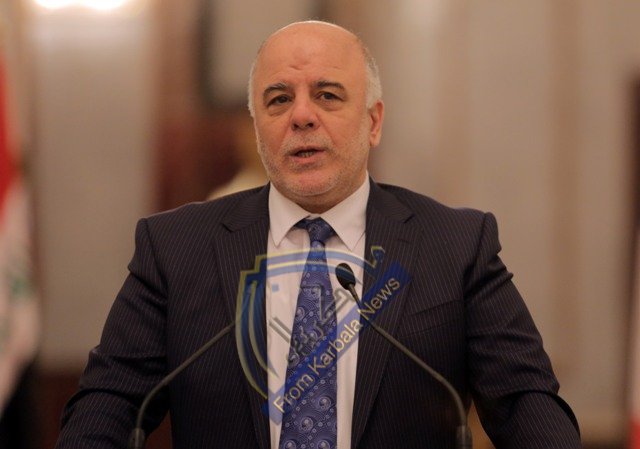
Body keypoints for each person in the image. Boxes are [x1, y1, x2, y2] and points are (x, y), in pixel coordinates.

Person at [55, 21, 582, 449]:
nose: (302, 116)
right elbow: (108, 405)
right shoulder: (175, 249)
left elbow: (525, 403)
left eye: (327, 95)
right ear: (257, 127)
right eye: (278, 100)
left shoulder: (456, 245)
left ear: (373, 122)